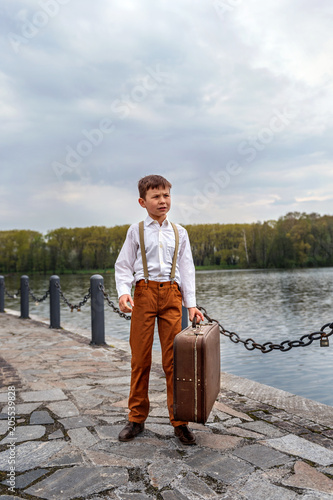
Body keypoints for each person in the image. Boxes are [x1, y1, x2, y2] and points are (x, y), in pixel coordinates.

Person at [115, 174, 204, 445]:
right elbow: (123, 266)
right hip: (143, 294)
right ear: (143, 201)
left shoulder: (180, 232)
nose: (162, 200)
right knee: (140, 359)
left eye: (166, 195)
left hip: (171, 296)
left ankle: (180, 422)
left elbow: (187, 269)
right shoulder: (136, 231)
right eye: (156, 196)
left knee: (174, 362)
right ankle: (136, 419)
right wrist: (123, 293)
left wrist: (191, 304)